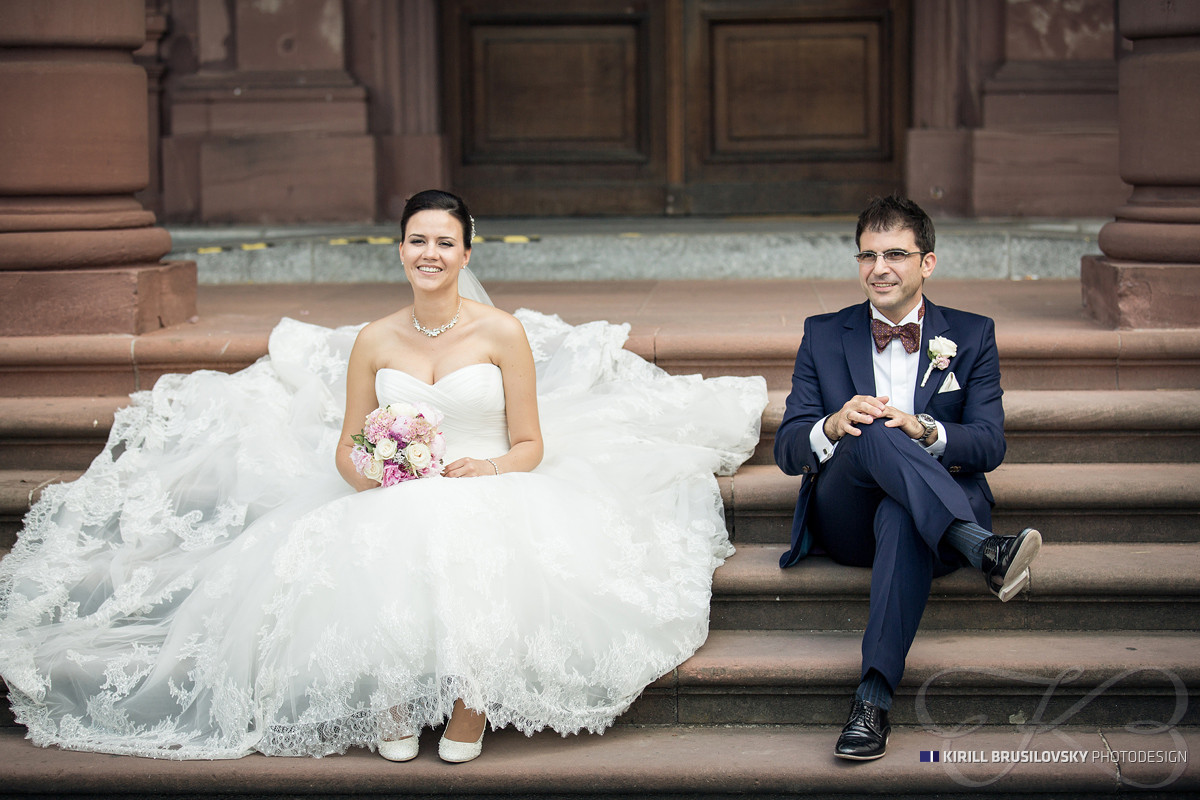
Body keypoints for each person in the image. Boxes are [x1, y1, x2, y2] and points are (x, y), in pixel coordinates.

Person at [0, 190, 768, 763]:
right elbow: (344, 445)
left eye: (444, 242)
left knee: (467, 530)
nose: (428, 253)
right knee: (375, 531)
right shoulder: (373, 339)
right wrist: (370, 474)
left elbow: (531, 442)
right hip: (397, 483)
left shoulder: (503, 334)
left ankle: (471, 700)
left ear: (468, 253)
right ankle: (393, 698)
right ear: (399, 250)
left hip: (485, 477)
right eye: (415, 241)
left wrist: (487, 467)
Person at [773, 194, 1041, 762]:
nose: (879, 269)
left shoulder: (971, 335)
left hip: (916, 517)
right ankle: (980, 547)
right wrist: (835, 422)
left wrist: (924, 429)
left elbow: (990, 443)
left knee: (902, 510)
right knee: (868, 422)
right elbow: (787, 446)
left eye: (895, 254)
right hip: (847, 517)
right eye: (867, 256)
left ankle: (872, 701)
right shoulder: (823, 333)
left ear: (928, 263)